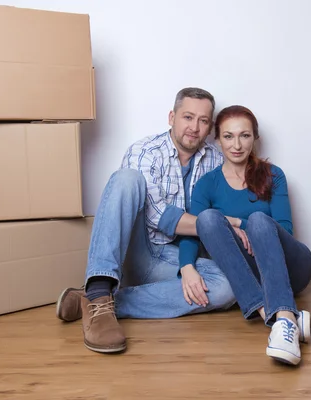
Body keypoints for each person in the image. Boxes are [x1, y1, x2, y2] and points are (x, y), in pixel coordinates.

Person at [55, 88, 238, 354]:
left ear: (211, 126)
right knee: (126, 179)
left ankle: (101, 302)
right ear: (171, 117)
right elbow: (159, 217)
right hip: (138, 251)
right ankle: (99, 286)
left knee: (228, 287)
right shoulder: (145, 151)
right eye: (188, 117)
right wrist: (221, 223)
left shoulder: (216, 159)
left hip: (176, 261)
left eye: (203, 120)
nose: (194, 127)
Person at [178, 105, 311, 366]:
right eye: (228, 136)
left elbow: (285, 230)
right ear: (217, 140)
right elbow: (193, 231)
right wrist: (186, 267)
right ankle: (281, 321)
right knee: (206, 218)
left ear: (255, 138)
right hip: (251, 273)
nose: (237, 144)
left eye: (244, 135)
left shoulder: (273, 175)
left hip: (289, 267)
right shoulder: (207, 183)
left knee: (259, 220)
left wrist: (240, 223)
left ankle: (283, 317)